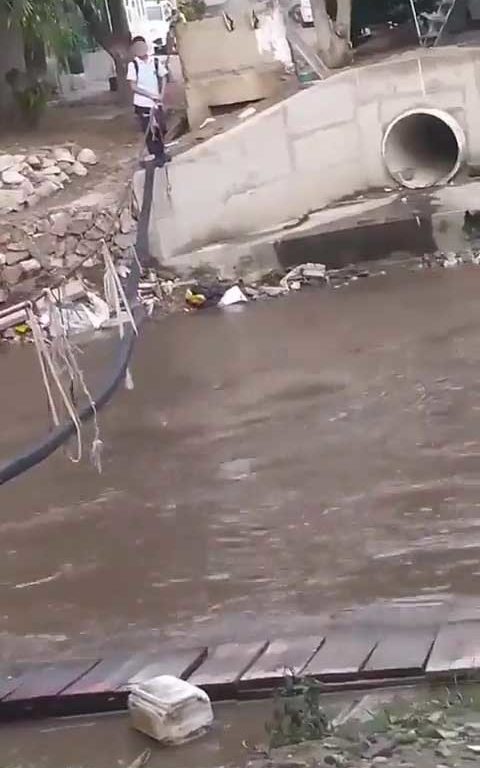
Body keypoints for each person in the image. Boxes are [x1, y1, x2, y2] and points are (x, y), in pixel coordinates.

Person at [127, 36, 169, 167]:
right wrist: (150, 95)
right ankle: (156, 155)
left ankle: (161, 153)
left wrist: (161, 94)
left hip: (157, 102)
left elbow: (163, 77)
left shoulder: (155, 61)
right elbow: (133, 86)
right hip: (143, 104)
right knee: (149, 130)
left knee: (161, 128)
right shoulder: (133, 65)